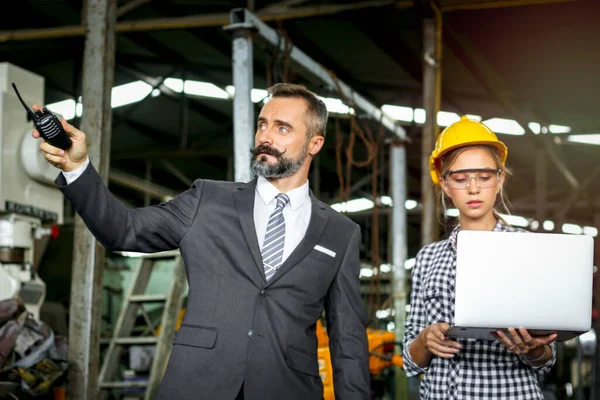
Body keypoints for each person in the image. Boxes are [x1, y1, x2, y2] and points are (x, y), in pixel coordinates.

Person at [33, 83, 370, 400]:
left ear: (315, 143)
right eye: (262, 124)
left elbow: (349, 341)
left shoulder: (340, 233)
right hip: (198, 384)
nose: (265, 136)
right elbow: (122, 229)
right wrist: (77, 168)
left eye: (282, 128)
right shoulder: (208, 201)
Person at [402, 116, 557, 399]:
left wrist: (533, 349)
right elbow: (410, 361)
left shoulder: (528, 249)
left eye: (484, 177)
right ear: (445, 185)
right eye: (460, 179)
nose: (473, 188)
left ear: (499, 180)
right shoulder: (428, 258)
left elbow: (547, 360)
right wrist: (426, 339)